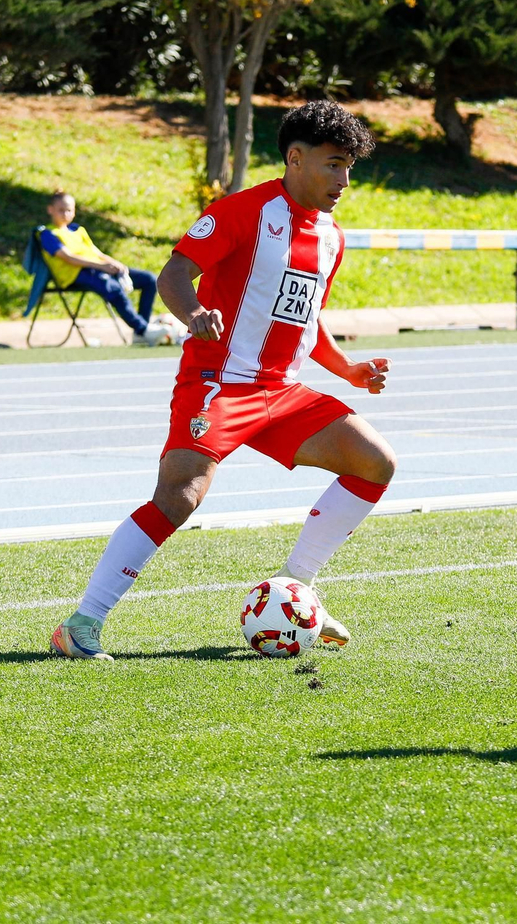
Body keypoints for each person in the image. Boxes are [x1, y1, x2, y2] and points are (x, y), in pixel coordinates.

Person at [50, 101, 399, 660]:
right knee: (179, 497)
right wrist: (193, 316)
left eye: (349, 166)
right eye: (334, 164)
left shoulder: (332, 236)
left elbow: (308, 316)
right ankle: (81, 625)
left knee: (375, 462)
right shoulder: (242, 211)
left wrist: (347, 370)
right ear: (295, 157)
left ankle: (297, 588)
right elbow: (173, 275)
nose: (344, 179)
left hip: (283, 392)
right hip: (219, 382)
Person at [38, 192, 177, 346]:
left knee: (149, 280)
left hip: (97, 269)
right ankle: (143, 329)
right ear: (50, 210)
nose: (65, 214)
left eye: (69, 210)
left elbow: (97, 253)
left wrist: (115, 264)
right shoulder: (48, 234)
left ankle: (140, 334)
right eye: (61, 210)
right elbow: (69, 258)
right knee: (113, 287)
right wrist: (102, 266)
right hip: (76, 275)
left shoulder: (78, 231)